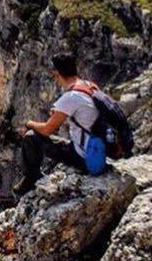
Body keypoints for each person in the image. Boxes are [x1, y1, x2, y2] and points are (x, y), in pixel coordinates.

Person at [13, 52, 100, 196]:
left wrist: (29, 123)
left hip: (84, 158)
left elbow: (47, 130)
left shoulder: (70, 98)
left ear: (56, 74)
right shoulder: (90, 86)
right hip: (98, 150)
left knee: (30, 136)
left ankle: (31, 178)